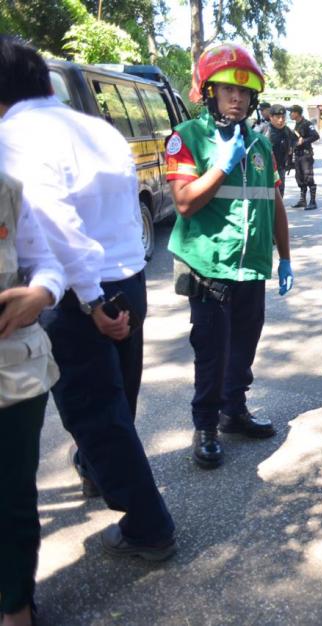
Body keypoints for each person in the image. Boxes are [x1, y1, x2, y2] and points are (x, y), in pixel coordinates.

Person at [0, 36, 177, 561]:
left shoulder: (13, 137)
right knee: (117, 401)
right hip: (128, 278)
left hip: (82, 294)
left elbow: (58, 224)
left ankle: (149, 527)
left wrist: (92, 301)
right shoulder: (96, 127)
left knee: (95, 413)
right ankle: (97, 472)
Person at [166, 42, 294, 470]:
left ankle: (233, 412)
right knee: (212, 350)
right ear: (210, 93)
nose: (236, 99)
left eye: (243, 93)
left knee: (244, 343)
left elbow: (274, 202)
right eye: (227, 90)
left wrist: (286, 257)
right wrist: (220, 167)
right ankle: (205, 426)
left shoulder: (259, 146)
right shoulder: (187, 139)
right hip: (207, 265)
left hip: (251, 267)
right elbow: (183, 202)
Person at [0, 172, 65, 626]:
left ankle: (15, 607)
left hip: (11, 373)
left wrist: (41, 293)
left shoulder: (8, 189)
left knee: (10, 495)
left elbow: (47, 262)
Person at [289, 104, 319, 210]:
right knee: (299, 177)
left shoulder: (307, 123)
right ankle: (302, 200)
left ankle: (312, 201)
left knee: (308, 177)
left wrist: (304, 141)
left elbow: (316, 135)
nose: (289, 114)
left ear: (297, 113)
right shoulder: (296, 124)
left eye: (291, 112)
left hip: (306, 155)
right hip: (298, 154)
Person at [264, 104, 292, 195]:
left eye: (283, 117)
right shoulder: (265, 131)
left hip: (281, 169)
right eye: (278, 117)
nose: (281, 120)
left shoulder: (287, 130)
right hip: (267, 170)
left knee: (280, 194)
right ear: (271, 117)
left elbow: (294, 141)